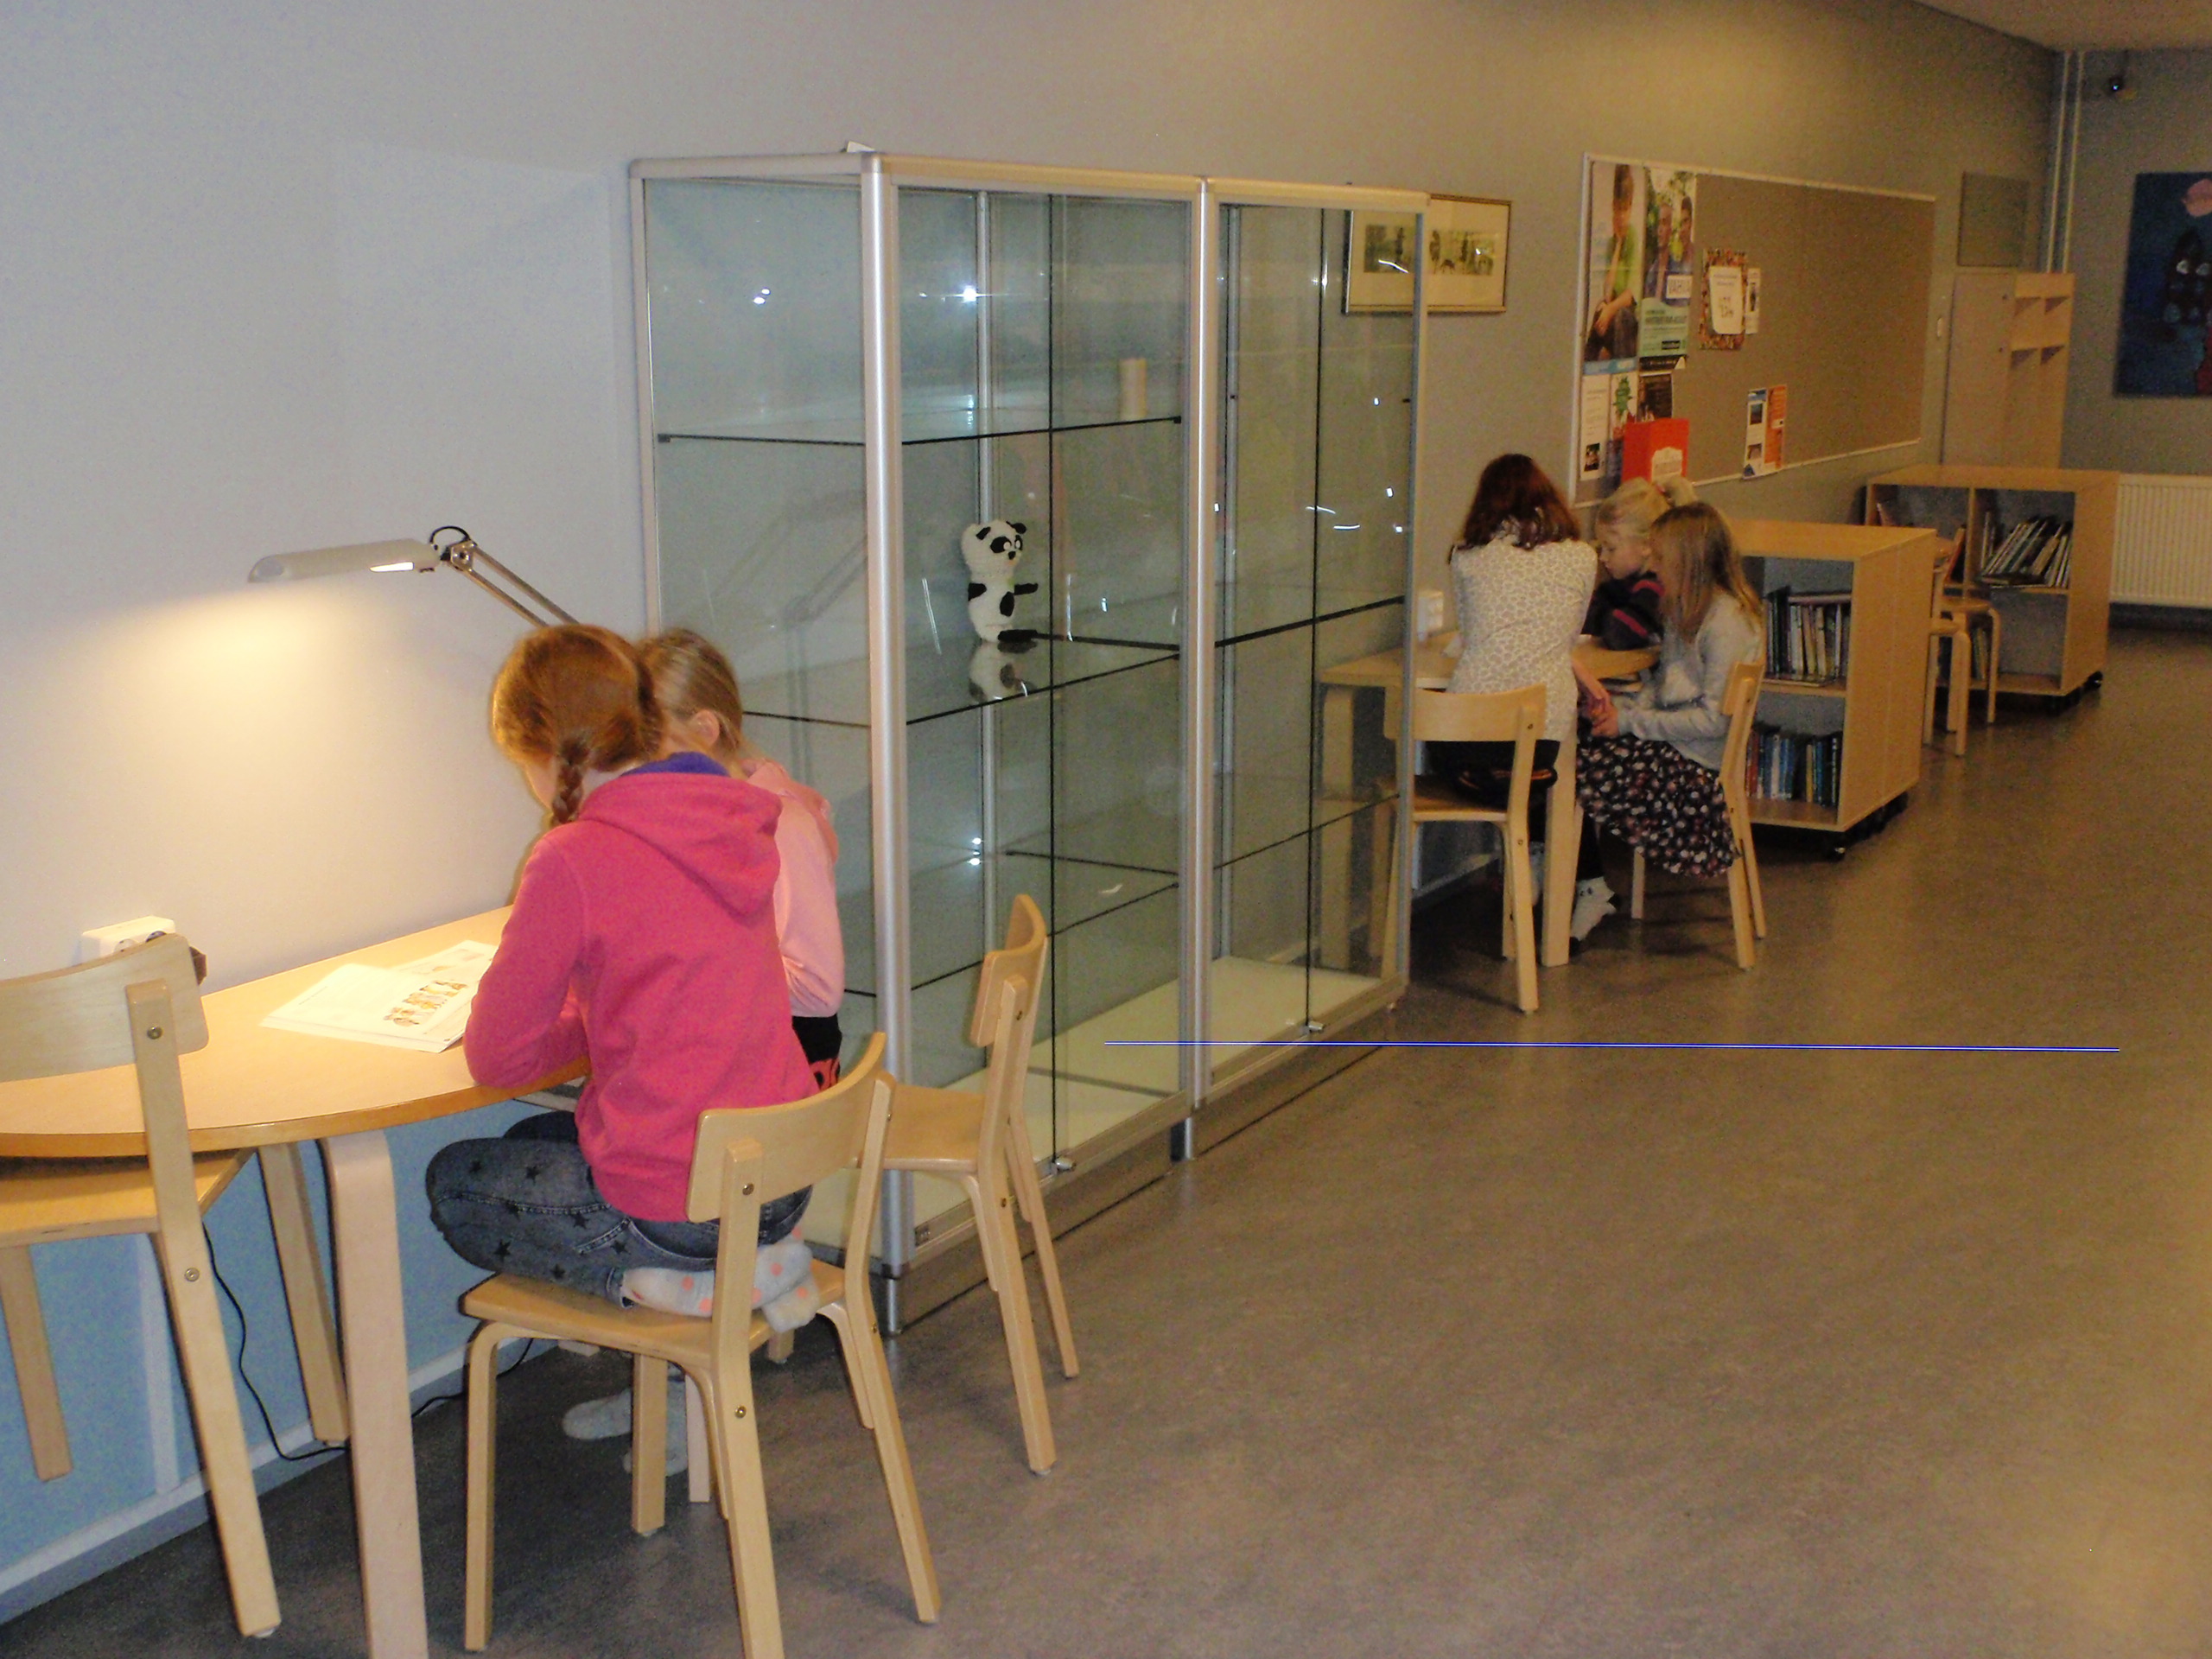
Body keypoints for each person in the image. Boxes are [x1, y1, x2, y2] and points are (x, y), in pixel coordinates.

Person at [425, 624, 819, 1330]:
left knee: (456, 1181)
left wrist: (584, 1023)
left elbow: (497, 1058)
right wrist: (607, 1019)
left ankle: (667, 1282)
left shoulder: (571, 856)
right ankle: (750, 1270)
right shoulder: (730, 813)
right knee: (531, 1141)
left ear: (544, 754)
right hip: (782, 1178)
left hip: (688, 1208)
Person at [642, 628, 846, 1089]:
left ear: (705, 730)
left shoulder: (784, 829)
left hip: (786, 1075)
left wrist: (700, 970)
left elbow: (818, 990)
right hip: (731, 1058)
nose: (639, 766)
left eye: (651, 745)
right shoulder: (696, 818)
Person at [1429, 453, 1611, 939]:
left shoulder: (1467, 556)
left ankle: (1525, 855)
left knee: (1450, 753)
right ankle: (1534, 860)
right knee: (1534, 778)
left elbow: (1474, 634)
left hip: (1465, 751)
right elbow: (1562, 638)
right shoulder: (1582, 556)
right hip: (1539, 750)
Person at [1573, 503, 1765, 913]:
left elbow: (1713, 720)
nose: (1653, 567)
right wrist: (1618, 712)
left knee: (1571, 763)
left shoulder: (1725, 623)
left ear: (1686, 563)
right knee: (1577, 739)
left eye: (1660, 558)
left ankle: (1585, 887)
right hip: (1680, 750)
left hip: (1694, 772)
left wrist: (1628, 720)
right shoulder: (1685, 611)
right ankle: (1584, 884)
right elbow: (1662, 691)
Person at [1584, 475, 1696, 652]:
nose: (1603, 558)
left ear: (1646, 546)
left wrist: (1599, 617)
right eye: (1601, 548)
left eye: (1611, 549)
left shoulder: (1657, 587)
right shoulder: (1623, 583)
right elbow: (1586, 611)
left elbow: (1621, 634)